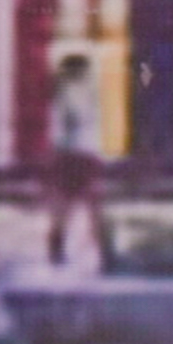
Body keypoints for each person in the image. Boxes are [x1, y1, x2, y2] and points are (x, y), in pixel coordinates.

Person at [41, 50, 112, 269]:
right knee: (92, 205)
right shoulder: (77, 93)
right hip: (80, 154)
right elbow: (76, 122)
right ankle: (103, 252)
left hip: (70, 154)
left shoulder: (61, 93)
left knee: (67, 206)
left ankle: (59, 248)